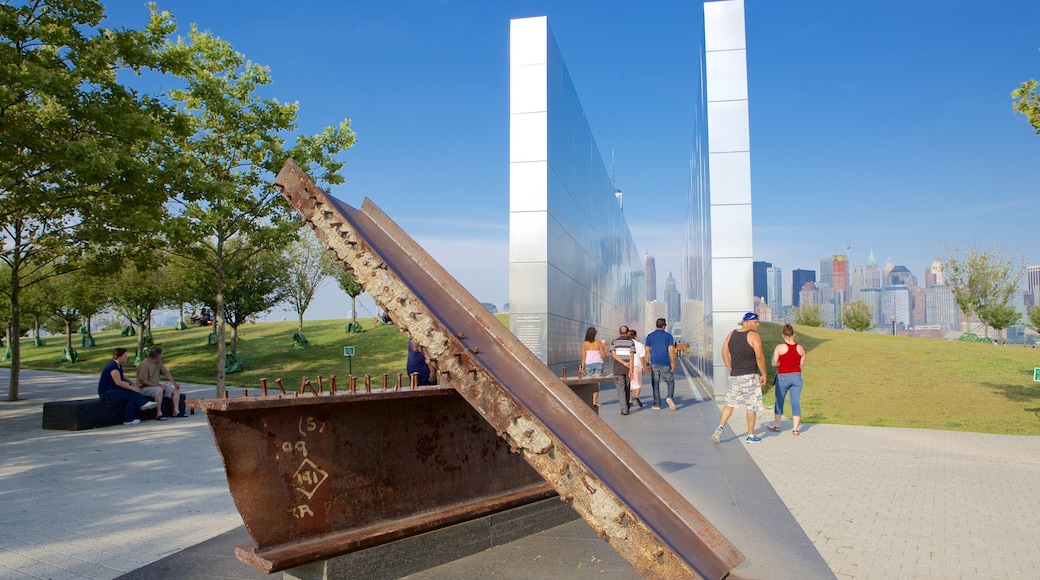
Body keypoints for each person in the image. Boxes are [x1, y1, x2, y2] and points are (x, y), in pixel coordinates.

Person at [713, 312, 767, 444]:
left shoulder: (731, 334)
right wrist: (764, 373)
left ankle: (721, 426)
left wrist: (730, 368)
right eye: (756, 322)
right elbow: (759, 356)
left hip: (735, 376)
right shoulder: (754, 336)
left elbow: (724, 353)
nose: (758, 324)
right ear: (747, 322)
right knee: (751, 406)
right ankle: (750, 435)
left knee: (730, 403)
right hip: (750, 376)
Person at [97, 348, 157, 426]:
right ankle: (142, 404)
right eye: (125, 356)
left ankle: (129, 418)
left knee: (131, 396)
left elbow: (122, 376)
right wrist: (132, 388)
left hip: (113, 390)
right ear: (119, 356)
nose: (126, 357)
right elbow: (118, 382)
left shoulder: (118, 365)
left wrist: (130, 381)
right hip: (107, 392)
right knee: (131, 394)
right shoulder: (112, 367)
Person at [767, 324, 806, 436]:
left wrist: (780, 363)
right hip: (797, 377)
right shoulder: (800, 348)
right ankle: (795, 429)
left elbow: (774, 363)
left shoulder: (780, 347)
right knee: (795, 402)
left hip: (783, 376)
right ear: (794, 334)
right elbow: (802, 363)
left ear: (783, 335)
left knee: (779, 401)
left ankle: (777, 425)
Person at [136, 347, 185, 419]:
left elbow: (166, 373)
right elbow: (143, 381)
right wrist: (159, 386)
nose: (162, 356)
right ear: (157, 356)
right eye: (161, 355)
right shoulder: (144, 364)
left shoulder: (158, 363)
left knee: (175, 389)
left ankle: (176, 411)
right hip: (144, 388)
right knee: (159, 390)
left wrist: (174, 383)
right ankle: (159, 413)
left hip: (155, 385)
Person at [644, 318, 677, 410]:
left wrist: (647, 364)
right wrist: (673, 362)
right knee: (670, 382)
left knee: (655, 384)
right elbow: (671, 350)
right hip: (665, 363)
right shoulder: (668, 336)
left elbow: (647, 351)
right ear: (664, 326)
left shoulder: (650, 336)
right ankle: (669, 397)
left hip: (654, 363)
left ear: (656, 325)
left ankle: (657, 404)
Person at [609, 325, 634, 415]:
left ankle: (624, 409)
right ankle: (626, 405)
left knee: (620, 388)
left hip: (618, 367)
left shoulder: (614, 342)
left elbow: (614, 355)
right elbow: (631, 356)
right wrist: (631, 369)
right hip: (628, 368)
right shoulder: (631, 342)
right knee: (627, 387)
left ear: (619, 333)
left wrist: (622, 363)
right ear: (628, 333)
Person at [579, 327, 607, 407]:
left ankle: (589, 400)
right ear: (594, 334)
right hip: (598, 363)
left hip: (588, 364)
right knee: (596, 383)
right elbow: (603, 355)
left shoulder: (585, 344)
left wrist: (582, 367)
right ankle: (595, 401)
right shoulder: (598, 343)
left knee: (589, 382)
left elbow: (583, 357)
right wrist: (604, 346)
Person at [627, 329, 646, 408]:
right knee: (637, 383)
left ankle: (630, 400)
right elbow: (642, 357)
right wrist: (643, 366)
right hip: (637, 365)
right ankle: (637, 397)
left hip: (628, 365)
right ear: (635, 336)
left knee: (630, 383)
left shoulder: (627, 344)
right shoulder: (640, 345)